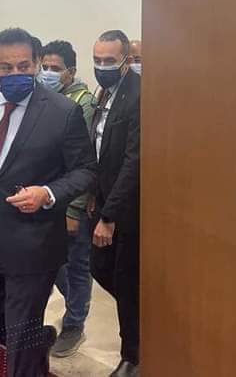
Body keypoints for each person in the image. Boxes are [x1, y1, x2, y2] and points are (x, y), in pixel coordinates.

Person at [0, 28, 97, 377]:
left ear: (36, 64)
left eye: (24, 66)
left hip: (34, 241)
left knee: (20, 331)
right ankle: (38, 340)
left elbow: (86, 170)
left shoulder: (62, 111)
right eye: (6, 67)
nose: (16, 73)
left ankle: (29, 352)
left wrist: (47, 193)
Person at [38, 40, 96, 357]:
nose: (47, 73)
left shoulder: (82, 104)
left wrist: (73, 210)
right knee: (52, 262)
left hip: (70, 202)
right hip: (44, 201)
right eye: (44, 67)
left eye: (55, 68)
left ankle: (74, 324)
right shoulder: (40, 99)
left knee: (75, 265)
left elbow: (84, 163)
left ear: (70, 71)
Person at [89, 30, 141, 377]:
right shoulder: (104, 93)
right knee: (101, 269)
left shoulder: (137, 95)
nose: (102, 66)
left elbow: (133, 160)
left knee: (125, 280)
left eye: (110, 60)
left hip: (127, 209)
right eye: (97, 60)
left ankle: (132, 356)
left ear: (125, 61)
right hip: (102, 199)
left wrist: (109, 216)